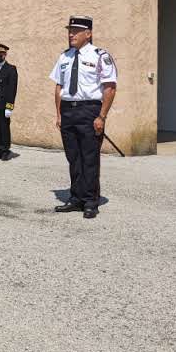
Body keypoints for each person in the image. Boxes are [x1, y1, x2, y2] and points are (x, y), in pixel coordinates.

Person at [50, 16, 117, 219]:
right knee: (73, 157)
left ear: (88, 34)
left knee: (89, 157)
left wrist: (101, 116)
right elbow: (59, 87)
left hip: (89, 111)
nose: (71, 34)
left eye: (76, 31)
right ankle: (76, 198)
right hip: (68, 111)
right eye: (70, 31)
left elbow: (110, 87)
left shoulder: (100, 56)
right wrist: (59, 114)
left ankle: (90, 201)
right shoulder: (64, 57)